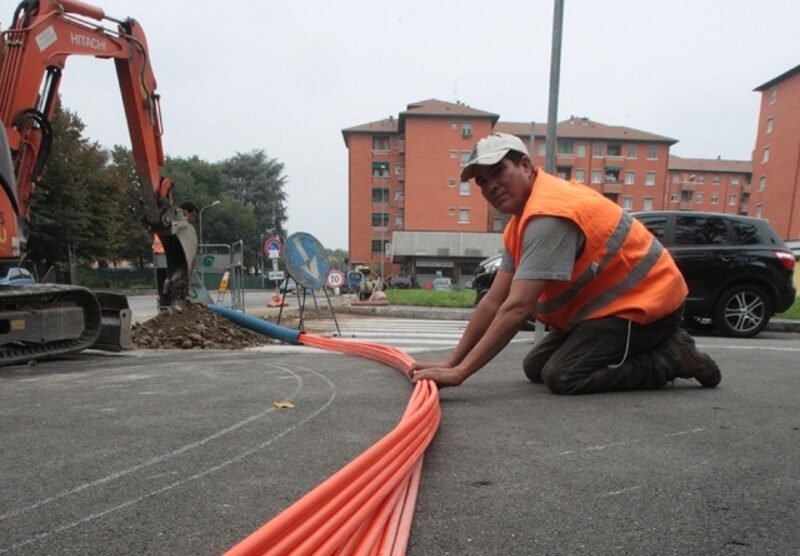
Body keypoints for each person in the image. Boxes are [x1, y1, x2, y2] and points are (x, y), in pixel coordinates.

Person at [410, 133, 721, 394]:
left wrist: (461, 373)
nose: (491, 186)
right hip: (602, 313)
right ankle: (652, 351)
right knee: (536, 368)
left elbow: (516, 308)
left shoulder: (549, 216)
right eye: (482, 180)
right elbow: (494, 301)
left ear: (527, 166)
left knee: (563, 376)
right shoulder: (520, 225)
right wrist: (450, 362)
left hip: (646, 308)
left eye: (499, 171)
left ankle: (673, 356)